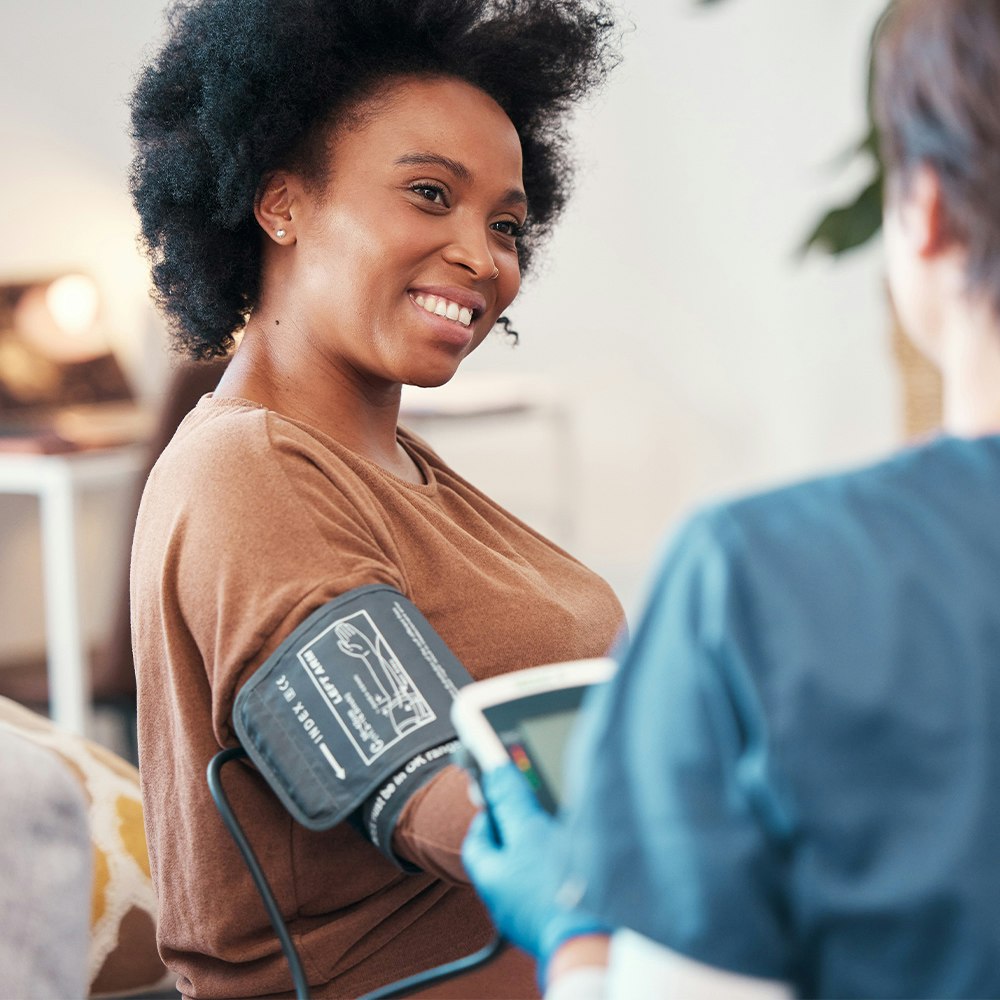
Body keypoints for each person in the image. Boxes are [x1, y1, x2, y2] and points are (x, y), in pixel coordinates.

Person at [462, 1, 1000, 997]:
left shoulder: (756, 579)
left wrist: (572, 929)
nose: (483, 260)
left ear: (924, 207)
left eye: (504, 222)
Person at [127, 1, 623, 997]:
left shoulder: (405, 472)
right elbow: (431, 785)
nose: (483, 259)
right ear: (281, 202)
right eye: (428, 194)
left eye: (506, 225)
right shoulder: (250, 471)